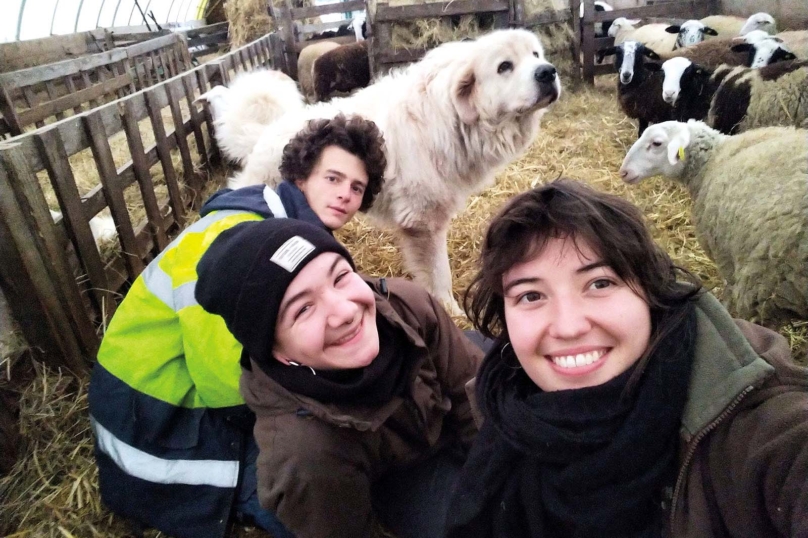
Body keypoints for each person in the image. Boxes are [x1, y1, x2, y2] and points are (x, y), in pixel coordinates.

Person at [445, 179, 808, 538]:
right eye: (531, 295)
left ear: (650, 291)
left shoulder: (757, 429)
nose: (569, 327)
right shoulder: (506, 398)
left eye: (600, 283)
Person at [87, 114, 386, 538]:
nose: (344, 196)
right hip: (156, 424)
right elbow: (226, 385)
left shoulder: (282, 233)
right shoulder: (235, 240)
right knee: (311, 491)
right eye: (333, 178)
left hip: (166, 401)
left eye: (356, 188)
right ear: (300, 176)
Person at [195, 218, 484, 538]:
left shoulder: (404, 303)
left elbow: (468, 385)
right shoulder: (303, 456)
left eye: (341, 276)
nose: (345, 311)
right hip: (400, 478)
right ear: (275, 350)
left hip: (444, 423)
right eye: (303, 309)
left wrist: (495, 468)